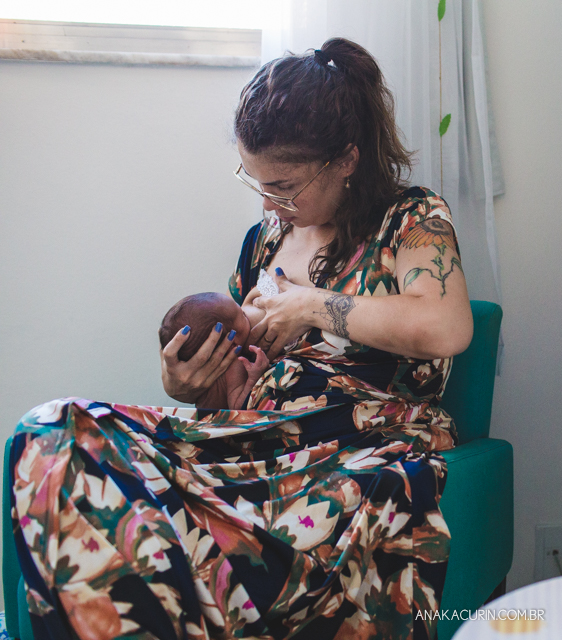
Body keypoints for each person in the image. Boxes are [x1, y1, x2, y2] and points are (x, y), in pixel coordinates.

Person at [10, 38, 472, 640]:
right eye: (256, 183)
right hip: (247, 446)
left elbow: (446, 326)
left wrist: (309, 306)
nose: (269, 203)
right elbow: (230, 389)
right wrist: (193, 383)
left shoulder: (409, 220)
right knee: (53, 433)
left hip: (348, 454)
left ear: (347, 160)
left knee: (147, 528)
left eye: (284, 185)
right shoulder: (265, 241)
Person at [158, 292, 270, 410]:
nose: (245, 310)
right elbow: (237, 407)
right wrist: (254, 378)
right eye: (244, 315)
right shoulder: (235, 366)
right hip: (220, 425)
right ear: (232, 343)